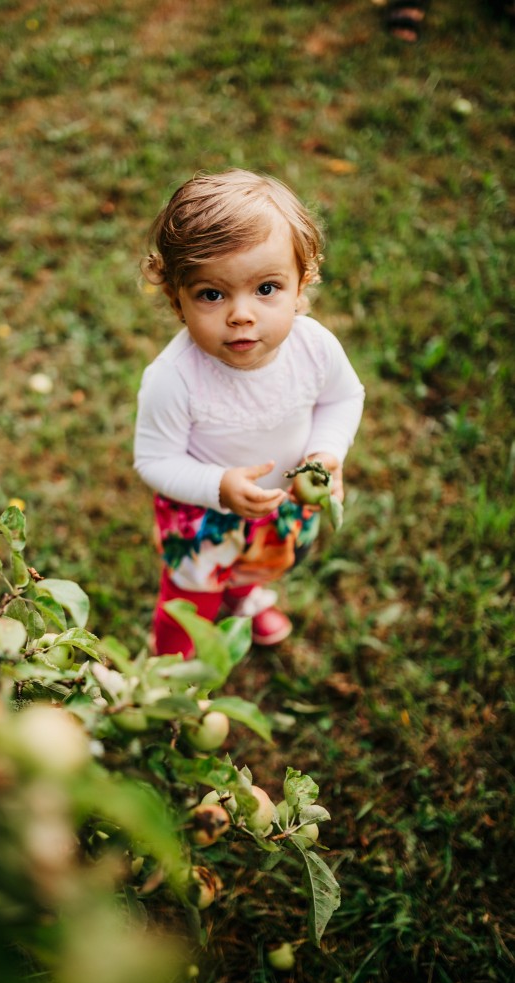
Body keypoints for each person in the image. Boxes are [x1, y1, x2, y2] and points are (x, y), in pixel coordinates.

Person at [134, 169, 365, 658]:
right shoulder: (174, 378)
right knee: (189, 601)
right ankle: (170, 672)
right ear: (178, 301)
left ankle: (244, 597)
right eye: (211, 294)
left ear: (302, 284)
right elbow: (154, 461)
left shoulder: (315, 348)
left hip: (281, 503)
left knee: (263, 564)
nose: (242, 314)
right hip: (205, 517)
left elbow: (342, 398)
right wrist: (219, 486)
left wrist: (327, 451)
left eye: (266, 289)